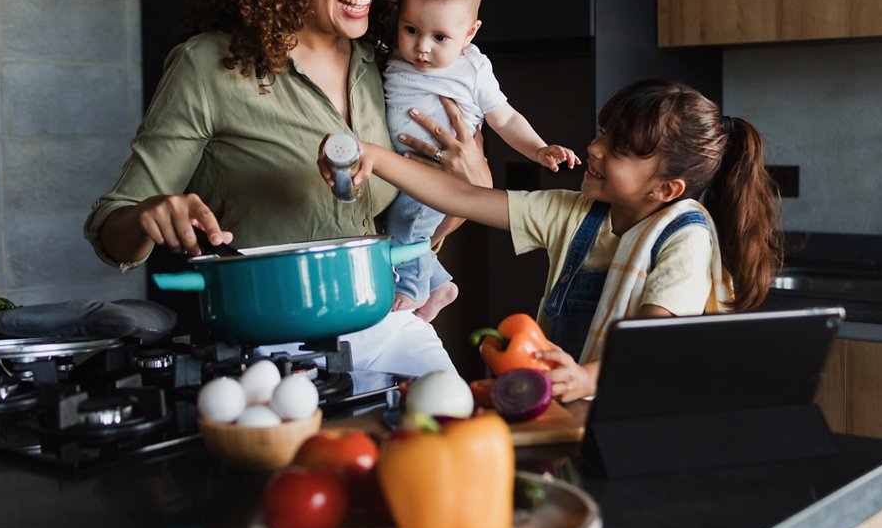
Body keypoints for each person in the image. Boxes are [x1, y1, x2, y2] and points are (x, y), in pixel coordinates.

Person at [83, 0, 492, 377]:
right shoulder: (209, 68)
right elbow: (112, 231)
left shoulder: (394, 65)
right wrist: (149, 215)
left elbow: (449, 205)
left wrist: (472, 181)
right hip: (271, 356)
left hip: (387, 331)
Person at [320, 79, 783, 401]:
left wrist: (586, 378)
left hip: (636, 415)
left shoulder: (685, 238)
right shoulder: (574, 214)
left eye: (618, 149)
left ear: (665, 190)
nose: (595, 149)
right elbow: (462, 196)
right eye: (604, 134)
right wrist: (375, 157)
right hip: (569, 404)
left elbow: (653, 344)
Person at [383, 0, 579, 312]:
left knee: (405, 226)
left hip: (436, 175)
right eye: (410, 29)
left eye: (439, 37)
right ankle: (439, 284)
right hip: (403, 168)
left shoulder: (471, 70)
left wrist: (538, 149)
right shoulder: (395, 56)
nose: (421, 47)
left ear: (469, 33)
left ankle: (412, 290)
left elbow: (504, 119)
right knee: (405, 229)